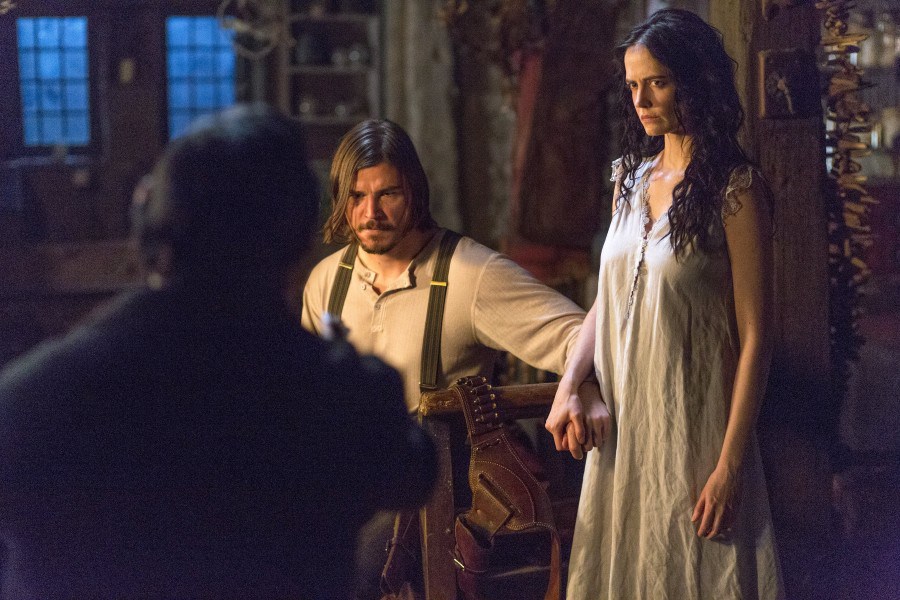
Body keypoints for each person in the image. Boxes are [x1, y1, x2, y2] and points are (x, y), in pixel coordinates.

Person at [0, 104, 436, 600]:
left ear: (152, 227)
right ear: (298, 239)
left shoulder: (40, 396)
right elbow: (411, 472)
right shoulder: (342, 396)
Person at [301, 118, 608, 599]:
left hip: (431, 490)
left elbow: (576, 332)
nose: (370, 213)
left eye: (387, 194)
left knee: (348, 570)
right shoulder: (326, 280)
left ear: (415, 191)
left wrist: (579, 385)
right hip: (346, 480)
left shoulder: (469, 275)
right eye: (357, 196)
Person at [545, 9, 785, 599]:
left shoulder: (735, 189)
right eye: (632, 85)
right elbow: (608, 300)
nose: (641, 100)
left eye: (657, 82)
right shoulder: (628, 179)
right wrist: (569, 386)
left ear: (695, 81)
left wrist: (730, 466)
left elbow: (757, 334)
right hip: (624, 434)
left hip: (694, 428)